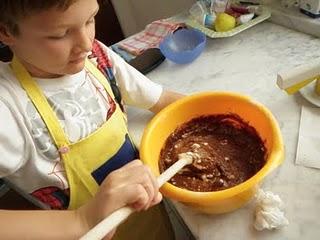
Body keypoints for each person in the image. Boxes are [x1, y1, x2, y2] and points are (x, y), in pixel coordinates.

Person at [0, 0, 183, 239]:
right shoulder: (8, 107)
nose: (85, 44)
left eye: (90, 20)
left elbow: (162, 99)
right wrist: (82, 219)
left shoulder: (98, 57)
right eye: (60, 34)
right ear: (5, 32)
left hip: (148, 210)